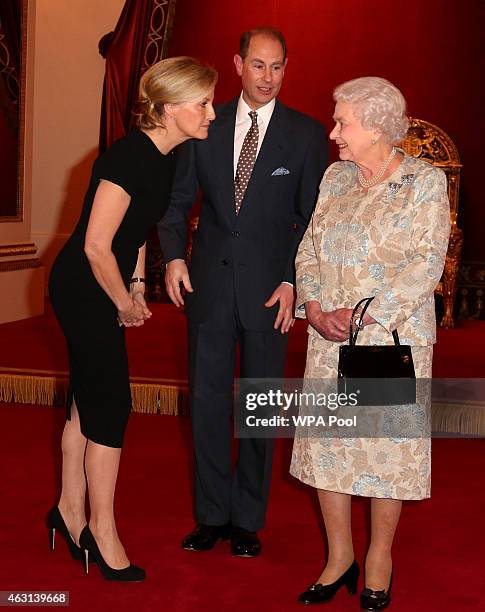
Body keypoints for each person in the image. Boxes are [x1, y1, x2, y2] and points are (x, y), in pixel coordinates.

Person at [158, 27, 327, 557]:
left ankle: (248, 518)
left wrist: (292, 281)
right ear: (237, 64)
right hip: (206, 287)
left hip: (269, 295)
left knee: (260, 406)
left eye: (277, 67)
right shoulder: (205, 123)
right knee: (207, 403)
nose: (268, 78)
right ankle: (211, 514)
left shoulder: (305, 135)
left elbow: (312, 221)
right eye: (258, 65)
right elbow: (176, 201)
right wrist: (175, 256)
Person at [47, 57, 217, 581]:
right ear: (169, 110)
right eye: (203, 103)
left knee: (87, 399)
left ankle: (68, 511)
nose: (212, 112)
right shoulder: (129, 157)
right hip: (84, 287)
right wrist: (122, 300)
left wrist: (138, 284)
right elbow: (97, 247)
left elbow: (135, 229)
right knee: (112, 404)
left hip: (107, 283)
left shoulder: (167, 153)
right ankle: (102, 530)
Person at [291, 76, 450, 609]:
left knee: (383, 456)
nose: (334, 132)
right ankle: (339, 558)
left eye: (344, 123)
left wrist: (358, 320)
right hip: (327, 338)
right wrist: (313, 308)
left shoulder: (423, 182)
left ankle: (379, 556)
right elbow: (309, 247)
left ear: (378, 126)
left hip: (385, 342)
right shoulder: (335, 179)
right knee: (329, 454)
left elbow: (424, 266)